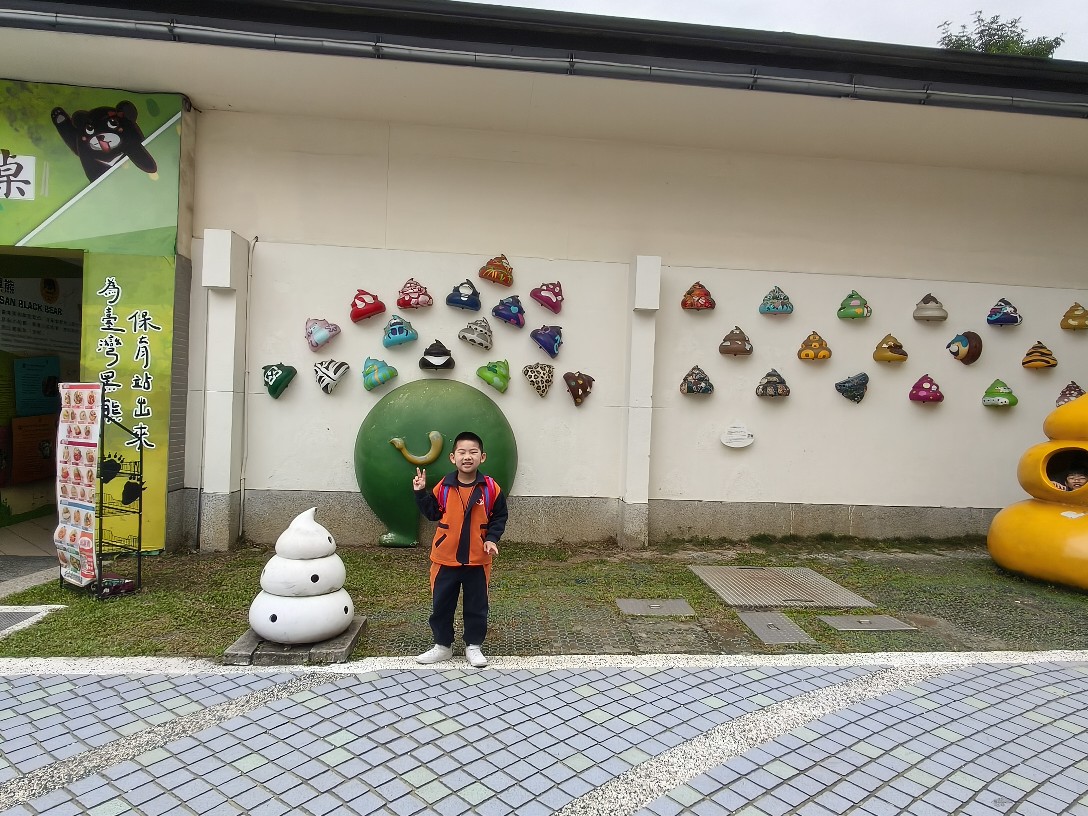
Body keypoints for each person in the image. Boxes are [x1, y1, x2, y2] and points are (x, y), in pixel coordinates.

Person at [412, 431, 508, 667]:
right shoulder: (444, 486)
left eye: (473, 452)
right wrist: (421, 492)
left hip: (478, 559)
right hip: (445, 558)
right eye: (462, 452)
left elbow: (499, 517)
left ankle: (473, 646)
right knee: (441, 605)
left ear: (482, 457)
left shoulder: (490, 488)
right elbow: (433, 513)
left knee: (477, 606)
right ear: (452, 457)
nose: (467, 457)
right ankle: (442, 646)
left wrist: (492, 538)